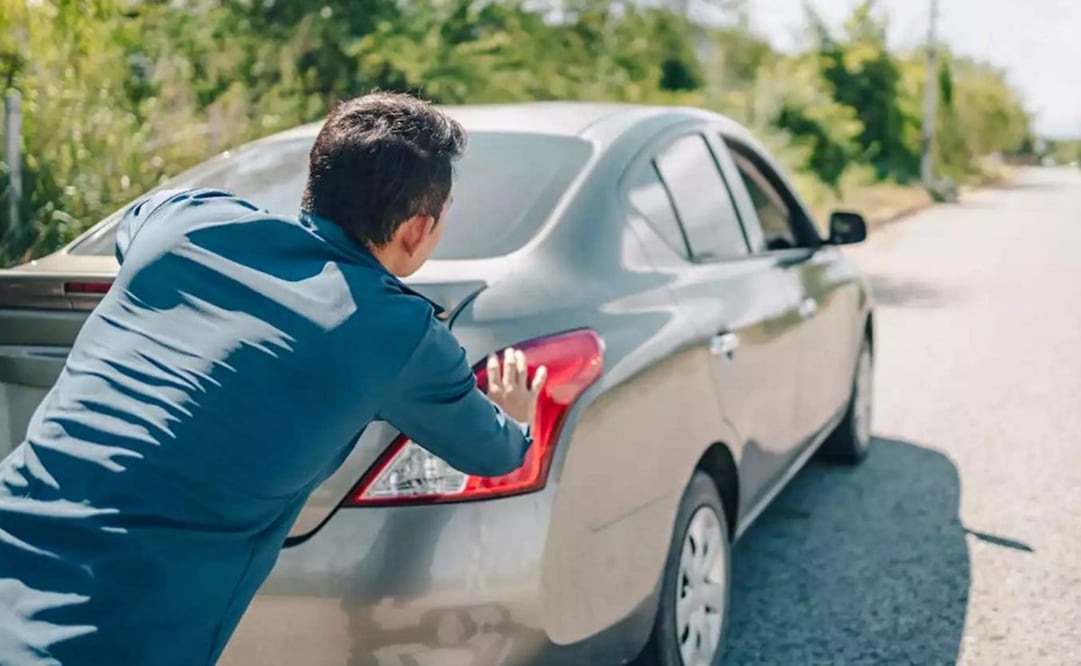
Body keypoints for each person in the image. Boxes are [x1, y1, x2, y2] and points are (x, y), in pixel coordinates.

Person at [0, 91, 546, 665]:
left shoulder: (187, 222)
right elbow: (496, 453)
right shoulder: (394, 330)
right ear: (418, 227)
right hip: (113, 630)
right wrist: (519, 416)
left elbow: (140, 220)